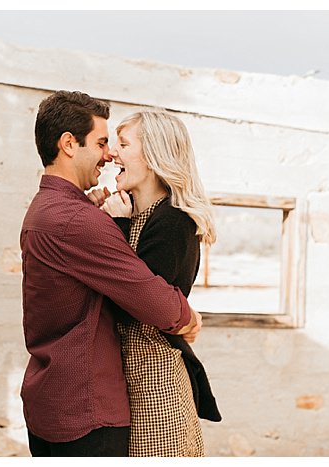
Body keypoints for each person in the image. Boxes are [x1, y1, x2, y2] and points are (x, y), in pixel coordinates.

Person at [20, 91, 202, 457]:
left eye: (118, 143)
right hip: (86, 408)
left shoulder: (49, 210)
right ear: (69, 144)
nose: (109, 154)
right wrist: (189, 317)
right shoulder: (78, 220)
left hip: (60, 397)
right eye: (103, 142)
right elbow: (155, 302)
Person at [88, 110, 222, 457]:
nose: (112, 154)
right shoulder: (138, 215)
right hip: (133, 381)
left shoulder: (173, 221)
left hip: (154, 386)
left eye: (124, 144)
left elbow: (133, 301)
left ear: (154, 156)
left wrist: (115, 226)